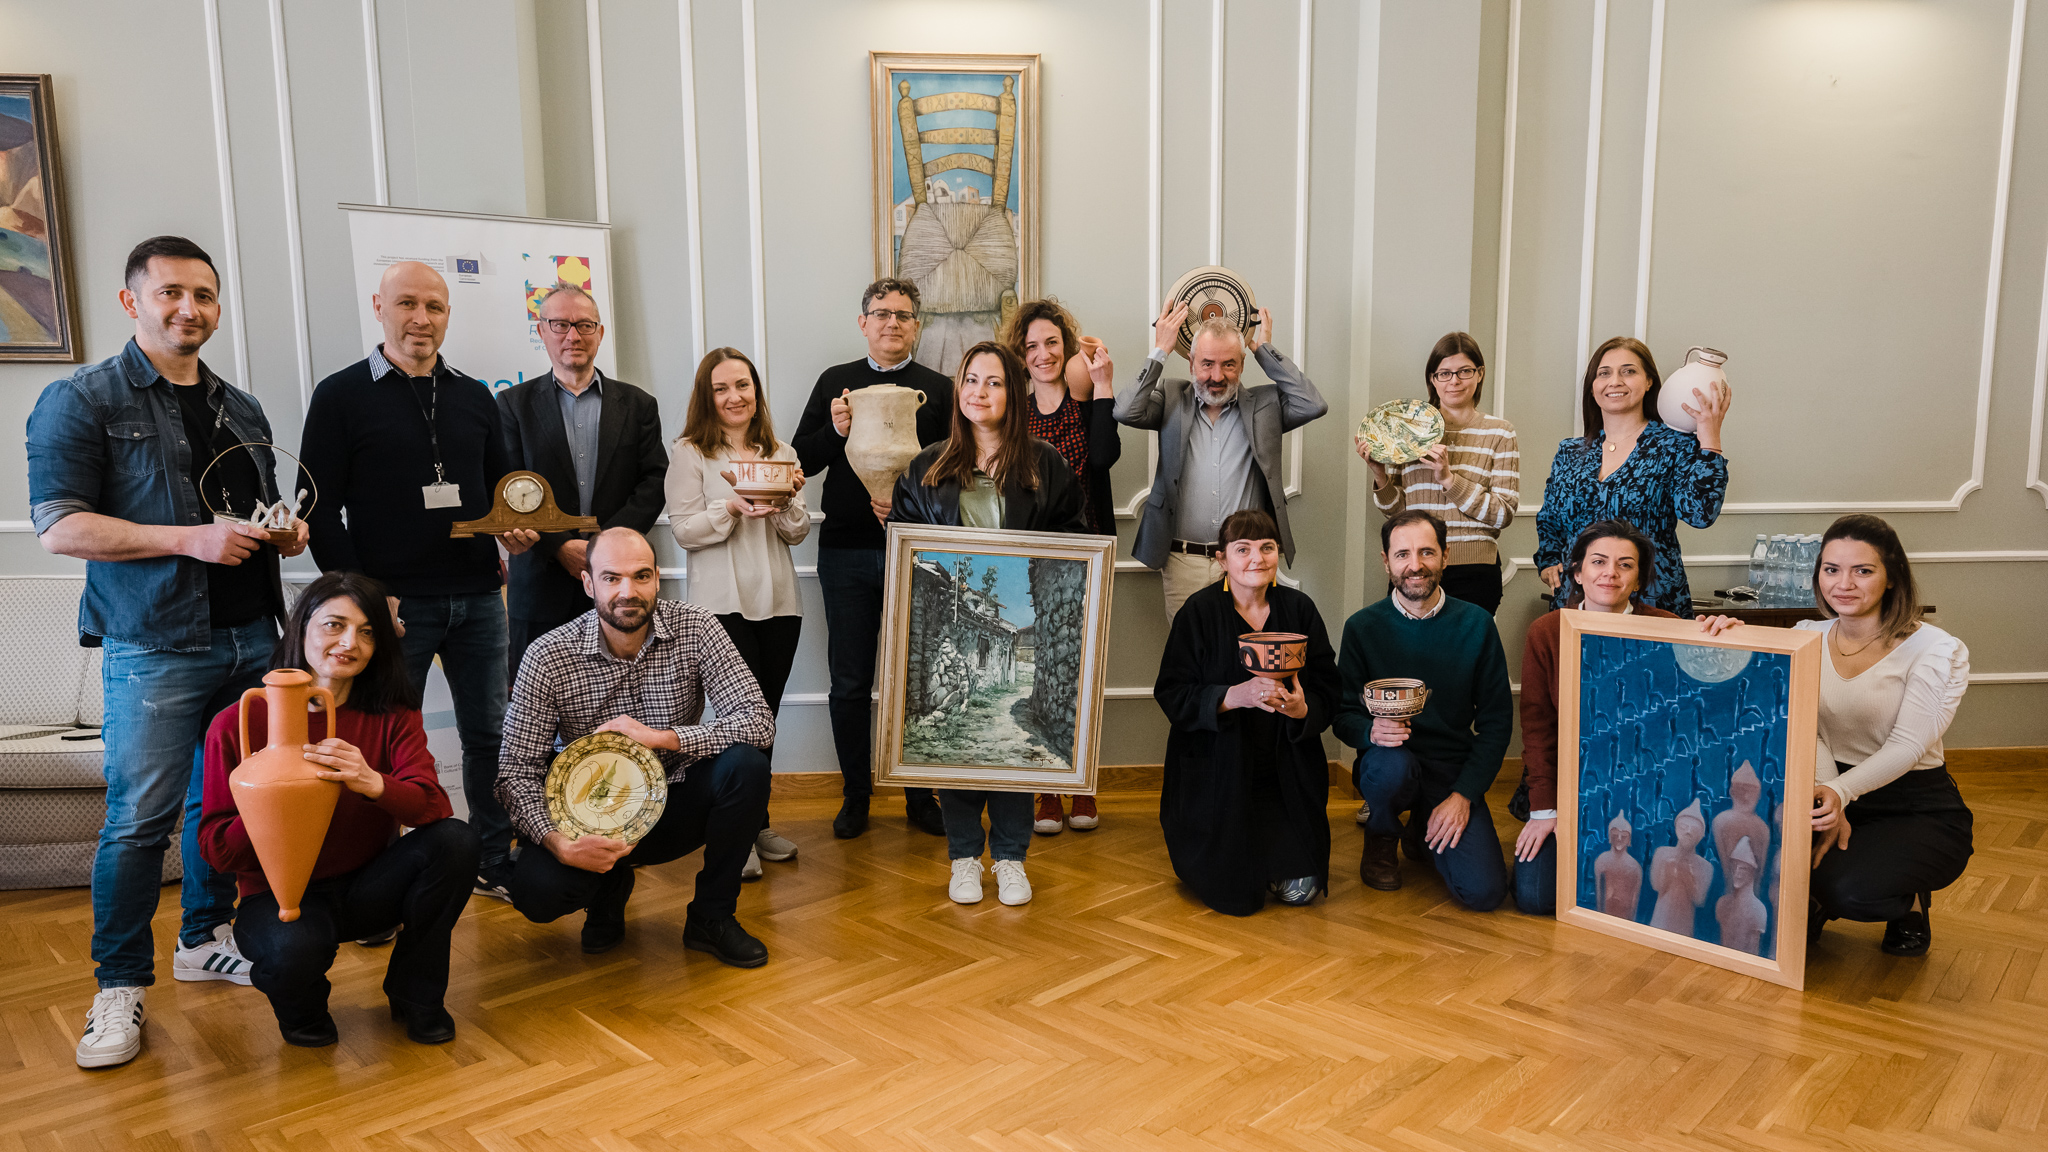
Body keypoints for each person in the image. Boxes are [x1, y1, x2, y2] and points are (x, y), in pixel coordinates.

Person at [28, 236, 310, 1069]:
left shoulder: (242, 407)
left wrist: (283, 534)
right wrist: (189, 539)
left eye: (205, 295)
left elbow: (254, 515)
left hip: (252, 637)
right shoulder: (80, 398)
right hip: (154, 645)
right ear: (132, 301)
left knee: (219, 804)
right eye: (171, 293)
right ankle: (118, 987)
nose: (191, 309)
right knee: (138, 823)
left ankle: (202, 938)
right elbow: (59, 527)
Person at [298, 261, 536, 905]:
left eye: (435, 306)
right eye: (407, 304)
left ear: (448, 315)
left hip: (480, 598)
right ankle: (375, 886)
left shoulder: (475, 396)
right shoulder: (340, 395)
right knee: (377, 746)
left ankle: (492, 859)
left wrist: (513, 531)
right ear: (379, 307)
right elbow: (316, 508)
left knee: (491, 735)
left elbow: (501, 494)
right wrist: (365, 599)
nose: (421, 319)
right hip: (391, 609)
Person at [197, 573, 478, 1049]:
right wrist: (274, 803)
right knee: (292, 955)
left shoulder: (392, 712)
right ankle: (303, 1012)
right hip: (281, 900)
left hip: (369, 886)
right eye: (334, 624)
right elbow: (217, 851)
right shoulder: (235, 724)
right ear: (301, 626)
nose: (350, 643)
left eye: (367, 632)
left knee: (456, 840)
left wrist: (371, 781)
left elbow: (433, 805)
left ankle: (417, 996)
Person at [496, 529, 775, 964]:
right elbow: (515, 771)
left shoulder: (697, 627)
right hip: (590, 818)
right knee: (537, 892)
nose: (628, 591)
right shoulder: (548, 655)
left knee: (747, 766)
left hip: (674, 803)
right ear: (588, 583)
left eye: (641, 576)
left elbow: (758, 721)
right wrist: (559, 844)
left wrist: (663, 737)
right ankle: (606, 892)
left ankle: (711, 917)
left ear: (657, 579)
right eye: (611, 578)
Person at [888, 341, 1088, 907]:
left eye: (994, 382)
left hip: (1010, 605)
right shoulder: (926, 467)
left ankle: (1010, 859)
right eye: (971, 380)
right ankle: (963, 859)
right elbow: (904, 548)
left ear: (1013, 394)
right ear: (959, 391)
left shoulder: (1046, 464)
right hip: (953, 611)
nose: (980, 392)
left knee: (1011, 760)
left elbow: (1075, 541)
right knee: (954, 757)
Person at [791, 278, 955, 839]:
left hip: (919, 553)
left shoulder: (938, 389)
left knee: (916, 677)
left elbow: (956, 468)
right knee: (850, 682)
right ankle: (856, 795)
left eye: (903, 315)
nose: (892, 323)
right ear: (863, 323)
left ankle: (920, 797)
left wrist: (915, 508)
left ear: (917, 326)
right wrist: (835, 430)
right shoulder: (834, 382)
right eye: (882, 313)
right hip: (845, 552)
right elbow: (801, 460)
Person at [1510, 520, 1737, 914]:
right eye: (1598, 562)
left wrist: (1729, 640)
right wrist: (1546, 810)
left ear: (1639, 579)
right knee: (1536, 896)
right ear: (1577, 573)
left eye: (1625, 565)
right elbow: (1537, 730)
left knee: (1656, 894)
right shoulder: (1547, 632)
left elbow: (1707, 715)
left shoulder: (1670, 629)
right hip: (1573, 786)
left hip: (1651, 791)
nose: (1610, 573)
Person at [667, 347, 809, 879]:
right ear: (707, 396)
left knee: (765, 719)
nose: (734, 397)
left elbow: (797, 532)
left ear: (756, 391)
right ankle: (733, 833)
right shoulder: (690, 453)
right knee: (734, 724)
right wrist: (730, 505)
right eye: (721, 388)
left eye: (743, 385)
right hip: (720, 607)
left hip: (780, 603)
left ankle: (756, 822)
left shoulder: (781, 451)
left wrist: (785, 500)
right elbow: (684, 531)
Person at [1801, 514, 1972, 957]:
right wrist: (1830, 800)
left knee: (1847, 891)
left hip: (1912, 803)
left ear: (1892, 576)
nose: (1844, 584)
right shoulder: (1806, 637)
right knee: (1769, 859)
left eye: (1863, 570)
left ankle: (1908, 904)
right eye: (1831, 569)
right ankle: (1818, 895)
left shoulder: (1935, 649)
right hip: (1830, 786)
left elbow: (1908, 746)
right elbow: (1810, 730)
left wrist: (1841, 792)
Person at [1155, 509, 1340, 915]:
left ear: (1278, 554)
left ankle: (1271, 853)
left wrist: (1303, 709)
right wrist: (1231, 697)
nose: (1257, 558)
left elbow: (1329, 687)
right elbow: (1171, 692)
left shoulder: (1300, 609)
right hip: (1218, 780)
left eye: (1267, 547)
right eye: (1243, 549)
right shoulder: (1198, 612)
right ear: (1222, 559)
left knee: (1301, 891)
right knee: (1237, 895)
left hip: (1282, 778)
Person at [1332, 510, 1511, 912]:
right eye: (1403, 554)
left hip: (1451, 769)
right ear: (1386, 562)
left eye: (1427, 552)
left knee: (1483, 892)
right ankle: (1381, 838)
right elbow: (1342, 714)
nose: (1415, 565)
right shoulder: (1362, 627)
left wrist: (1464, 795)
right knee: (1391, 768)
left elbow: (1497, 723)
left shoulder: (1477, 624)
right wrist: (1369, 732)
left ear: (1446, 556)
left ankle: (1420, 832)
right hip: (1388, 761)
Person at [1114, 300, 1328, 620]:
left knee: (1246, 642)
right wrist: (1161, 349)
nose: (1217, 375)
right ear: (1191, 363)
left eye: (1229, 364)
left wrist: (1264, 350)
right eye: (1207, 364)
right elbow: (1125, 410)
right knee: (1191, 647)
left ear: (1242, 365)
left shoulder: (1266, 405)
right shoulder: (1171, 397)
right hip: (1183, 560)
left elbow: (1313, 404)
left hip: (1245, 559)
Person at [497, 285, 668, 679]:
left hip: (619, 585)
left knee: (622, 695)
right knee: (537, 702)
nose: (573, 335)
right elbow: (509, 486)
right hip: (541, 583)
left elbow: (655, 480)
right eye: (560, 324)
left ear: (600, 333)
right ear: (541, 331)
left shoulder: (638, 404)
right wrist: (560, 546)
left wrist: (603, 548)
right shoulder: (512, 405)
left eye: (584, 325)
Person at [998, 297, 1120, 836]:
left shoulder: (1084, 398)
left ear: (1066, 347)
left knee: (1086, 671)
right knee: (1048, 666)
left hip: (1091, 552)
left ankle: (1083, 782)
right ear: (1020, 355)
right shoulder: (1015, 413)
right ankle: (1046, 784)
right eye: (1031, 346)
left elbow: (1103, 458)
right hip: (1041, 558)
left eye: (1051, 343)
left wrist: (1105, 386)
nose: (1043, 354)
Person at [1533, 336, 1730, 616]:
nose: (1615, 381)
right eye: (1604, 373)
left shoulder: (1675, 445)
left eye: (1628, 371)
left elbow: (1700, 514)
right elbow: (1550, 519)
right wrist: (1548, 560)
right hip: (1577, 598)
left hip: (1652, 597)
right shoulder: (1570, 451)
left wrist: (1709, 437)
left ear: (1649, 381)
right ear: (1592, 387)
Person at [1365, 332, 1519, 616]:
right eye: (1444, 373)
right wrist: (1379, 474)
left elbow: (1503, 513)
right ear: (1433, 379)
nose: (1454, 381)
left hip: (1475, 570)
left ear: (1480, 374)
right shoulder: (1410, 429)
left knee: (1468, 645)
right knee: (1409, 643)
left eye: (1464, 371)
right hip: (1416, 566)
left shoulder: (1500, 432)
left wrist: (1449, 480)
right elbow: (1397, 513)